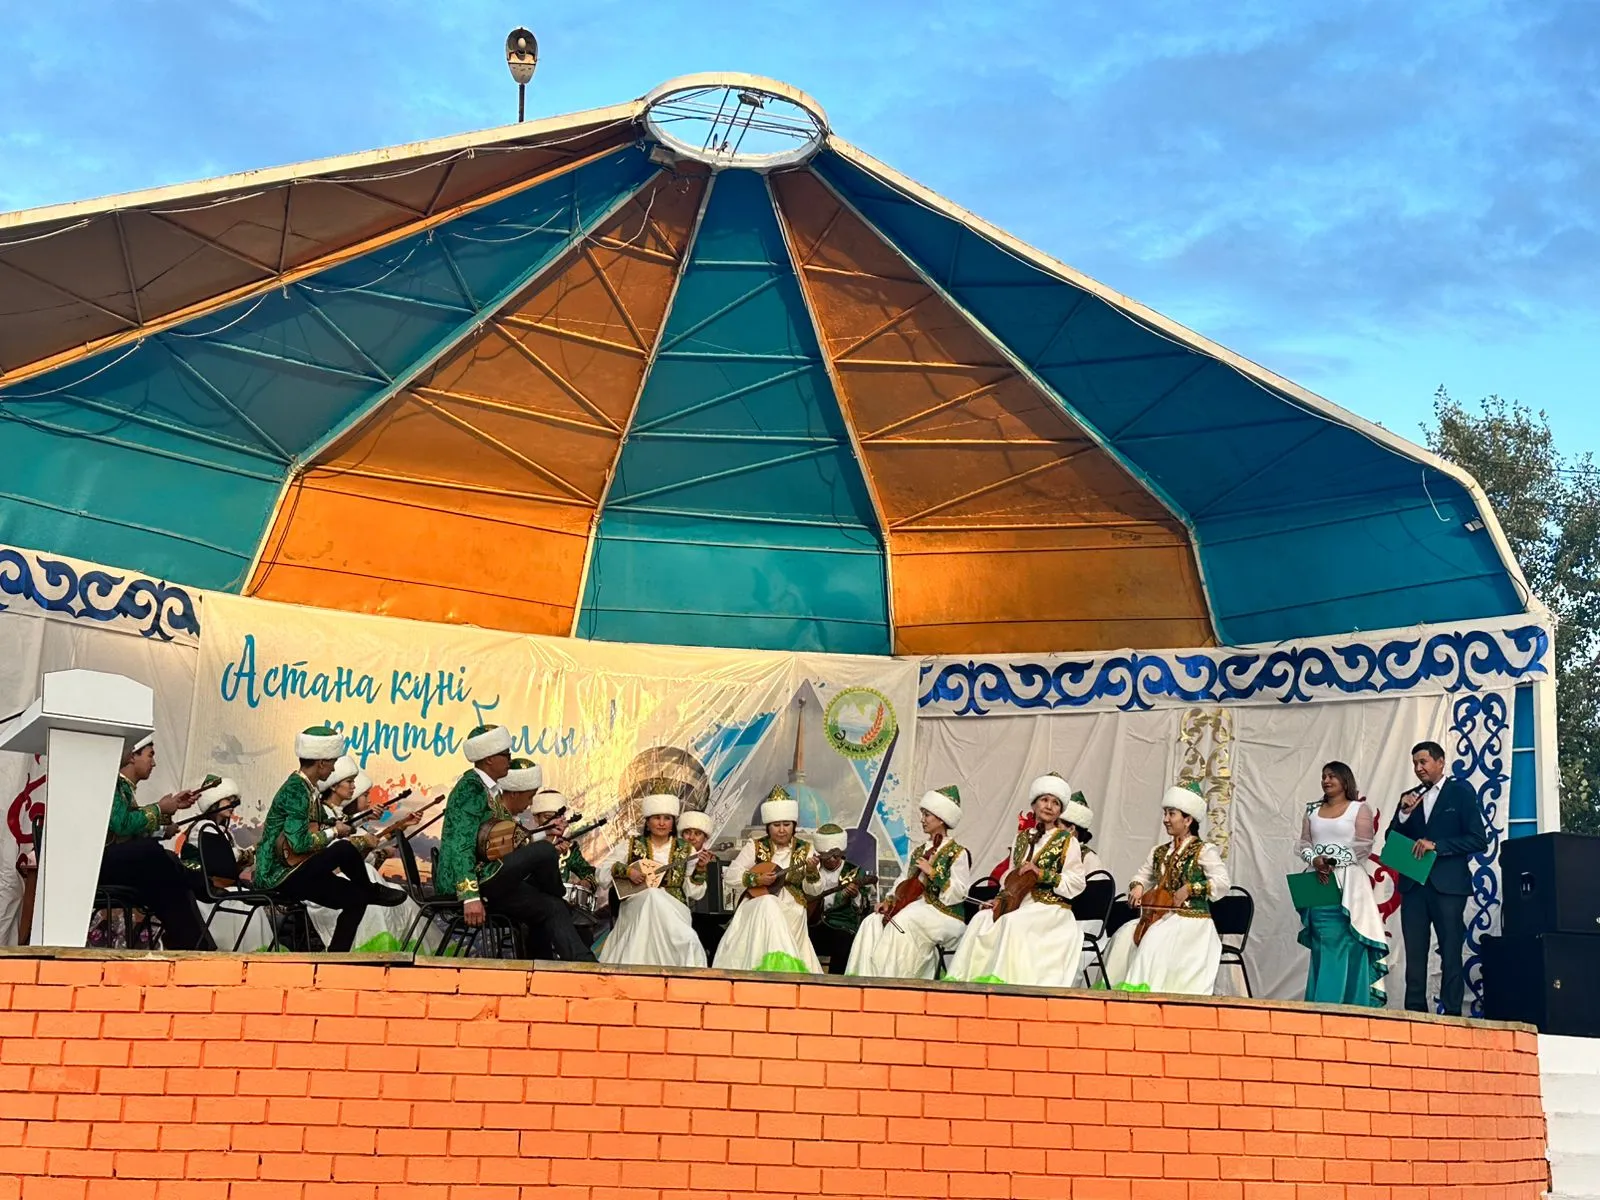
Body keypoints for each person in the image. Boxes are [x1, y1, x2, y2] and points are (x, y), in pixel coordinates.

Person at [434, 727, 595, 962]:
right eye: (506, 755)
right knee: (545, 851)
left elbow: (508, 838)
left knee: (551, 907)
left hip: (490, 878)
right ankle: (560, 894)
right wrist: (469, 896)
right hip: (475, 881)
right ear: (490, 759)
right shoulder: (470, 788)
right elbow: (460, 844)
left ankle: (582, 966)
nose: (510, 760)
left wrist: (542, 834)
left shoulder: (490, 791)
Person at [255, 728, 408, 953]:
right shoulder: (296, 791)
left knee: (356, 899)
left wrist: (341, 826)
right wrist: (335, 832)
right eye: (333, 762)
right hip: (279, 874)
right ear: (321, 763)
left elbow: (318, 826)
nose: (334, 768)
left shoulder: (309, 790)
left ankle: (335, 959)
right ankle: (372, 890)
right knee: (344, 849)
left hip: (298, 869)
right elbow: (298, 844)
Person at [946, 774, 1087, 987]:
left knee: (1012, 922)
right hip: (1019, 902)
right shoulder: (1021, 838)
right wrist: (999, 899)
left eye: (1055, 803)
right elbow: (1011, 877)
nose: (1049, 806)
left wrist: (1042, 874)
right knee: (981, 919)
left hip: (1050, 908)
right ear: (1034, 804)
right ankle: (964, 982)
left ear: (1060, 810)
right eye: (1044, 800)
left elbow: (1076, 882)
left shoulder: (1067, 841)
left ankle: (1003, 984)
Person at [1388, 740, 1487, 1016]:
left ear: (1441, 762)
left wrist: (1438, 846)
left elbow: (1478, 839)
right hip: (1414, 886)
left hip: (1448, 887)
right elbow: (1390, 839)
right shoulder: (1408, 797)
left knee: (1451, 950)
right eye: (1415, 764)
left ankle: (1452, 1012)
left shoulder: (1460, 794)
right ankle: (1415, 1011)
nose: (1418, 768)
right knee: (1414, 952)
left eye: (1423, 762)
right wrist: (1403, 814)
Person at [1103, 783, 1230, 995]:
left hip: (1192, 920)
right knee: (1123, 937)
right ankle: (1116, 996)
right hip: (1162, 916)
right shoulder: (1159, 852)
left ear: (1188, 820)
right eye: (1165, 813)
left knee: (1154, 939)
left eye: (1171, 814)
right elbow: (1142, 876)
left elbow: (1222, 882)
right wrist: (1137, 887)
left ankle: (1146, 996)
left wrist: (1191, 888)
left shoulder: (1204, 851)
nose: (1165, 819)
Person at [99, 734, 214, 950]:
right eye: (150, 755)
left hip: (116, 862)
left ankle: (193, 943)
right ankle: (196, 940)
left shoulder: (124, 789)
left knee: (165, 870)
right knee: (156, 856)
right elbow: (121, 825)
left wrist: (166, 817)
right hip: (99, 865)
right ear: (132, 756)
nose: (154, 763)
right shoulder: (112, 783)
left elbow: (129, 831)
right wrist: (160, 809)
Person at [845, 786, 972, 980]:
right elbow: (903, 880)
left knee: (902, 921)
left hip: (945, 914)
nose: (922, 819)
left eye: (927, 815)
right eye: (922, 814)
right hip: (916, 908)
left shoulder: (957, 852)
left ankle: (895, 980)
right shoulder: (918, 851)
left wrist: (933, 873)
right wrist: (889, 900)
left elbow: (960, 892)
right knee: (873, 921)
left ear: (941, 818)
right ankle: (866, 978)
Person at [1294, 761, 1386, 1007]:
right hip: (1317, 880)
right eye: (1324, 776)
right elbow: (1303, 843)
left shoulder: (1359, 808)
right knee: (1323, 941)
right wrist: (1315, 860)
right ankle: (1322, 1005)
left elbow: (1364, 845)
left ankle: (1345, 1005)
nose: (1326, 780)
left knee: (1348, 942)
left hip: (1349, 883)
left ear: (1345, 780)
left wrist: (1333, 861)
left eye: (1332, 776)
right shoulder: (1312, 810)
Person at [712, 786, 823, 973]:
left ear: (794, 825)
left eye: (786, 824)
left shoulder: (806, 849)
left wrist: (812, 871)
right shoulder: (755, 846)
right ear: (768, 826)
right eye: (776, 825)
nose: (782, 830)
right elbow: (730, 875)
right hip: (757, 904)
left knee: (773, 905)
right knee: (768, 903)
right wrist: (757, 879)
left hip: (792, 909)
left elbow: (814, 891)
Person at [596, 793, 708, 968]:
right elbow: (601, 874)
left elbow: (693, 892)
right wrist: (627, 871)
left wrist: (700, 869)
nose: (662, 823)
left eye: (667, 818)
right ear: (648, 822)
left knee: (685, 934)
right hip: (637, 904)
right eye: (656, 818)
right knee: (651, 895)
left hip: (674, 908)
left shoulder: (686, 849)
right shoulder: (630, 845)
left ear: (673, 823)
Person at [807, 823, 872, 974]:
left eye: (835, 855)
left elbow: (864, 907)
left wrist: (855, 895)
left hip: (842, 926)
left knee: (843, 940)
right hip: (815, 925)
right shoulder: (812, 869)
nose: (831, 860)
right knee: (801, 937)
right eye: (826, 856)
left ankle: (836, 983)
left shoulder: (855, 871)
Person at [179, 779, 250, 894]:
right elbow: (221, 860)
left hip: (222, 888)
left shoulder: (223, 831)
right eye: (228, 800)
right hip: (206, 890)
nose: (232, 805)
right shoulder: (204, 827)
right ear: (214, 802)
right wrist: (243, 855)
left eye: (234, 802)